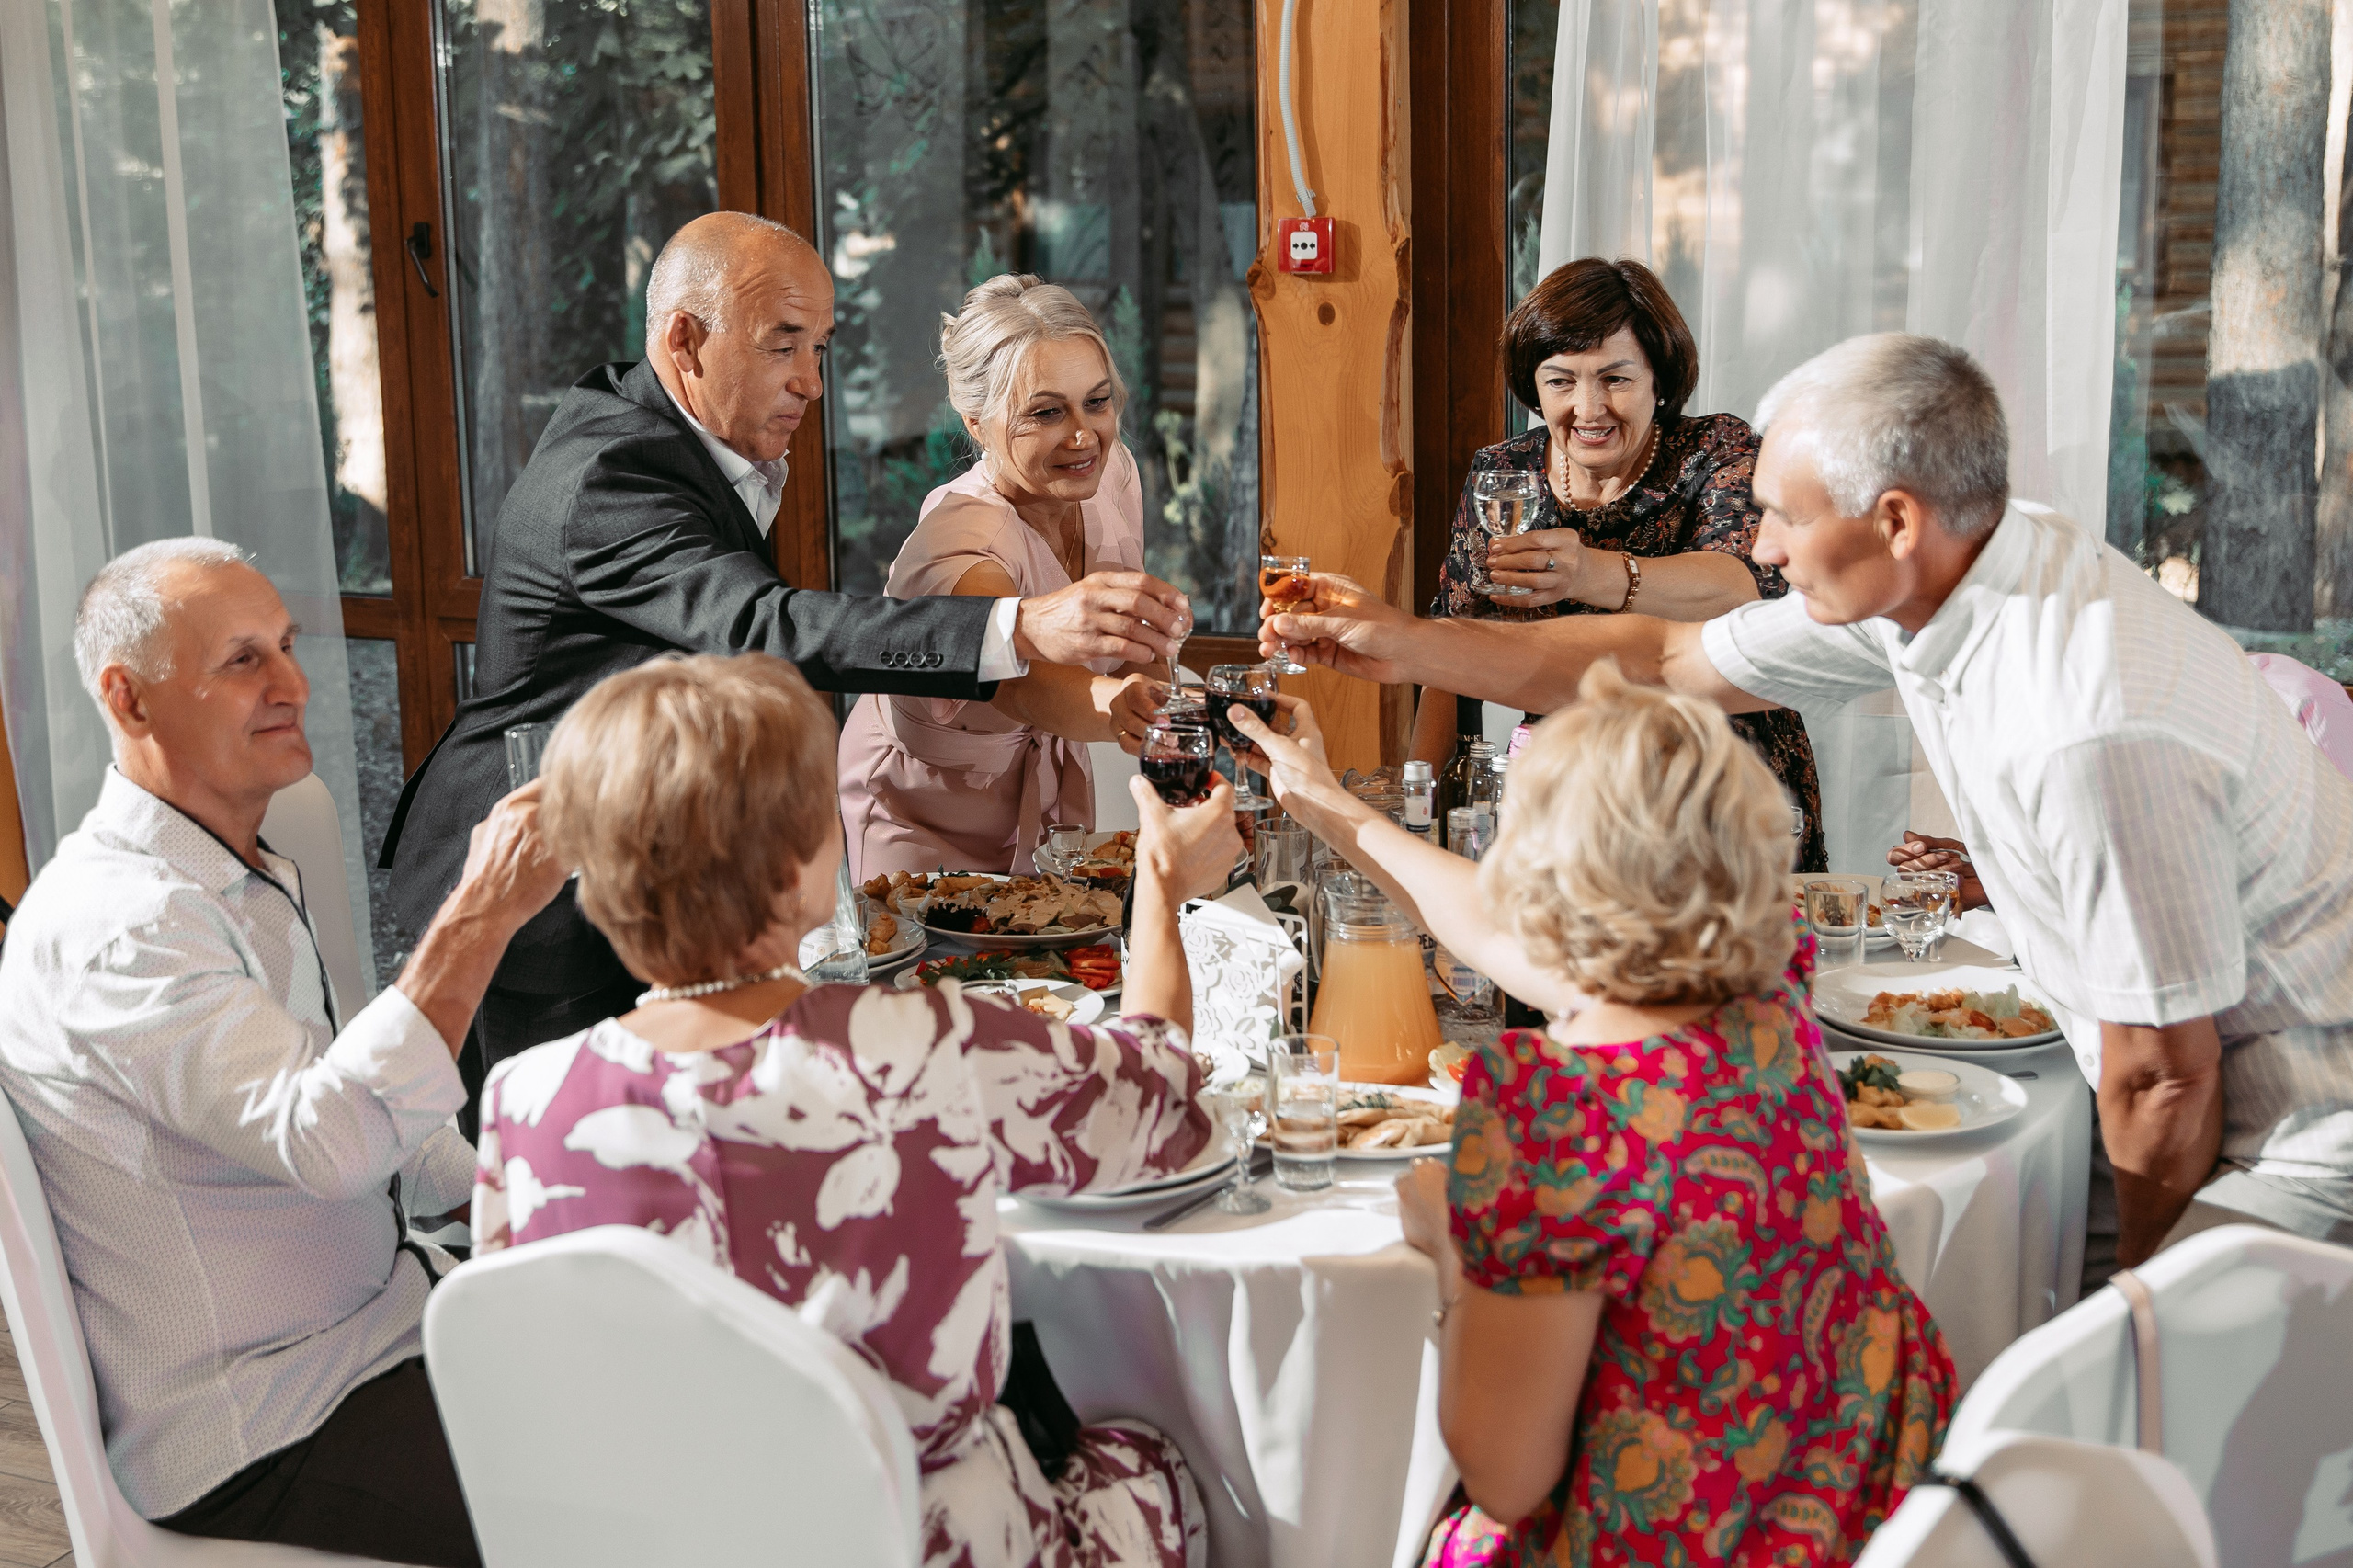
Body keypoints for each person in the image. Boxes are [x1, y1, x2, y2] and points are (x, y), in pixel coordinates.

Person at [1257, 332, 2353, 1266]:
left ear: (1895, 520)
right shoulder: (1958, 567)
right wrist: (1404, 644)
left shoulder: (2083, 719)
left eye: (1782, 515)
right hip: (2164, 1088)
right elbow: (1664, 659)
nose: (1763, 547)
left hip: (2298, 1142)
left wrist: (2132, 1323)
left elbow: (2164, 1079)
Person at [381, 213, 1193, 1104]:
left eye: (820, 348)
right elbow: (762, 624)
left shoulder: (687, 439)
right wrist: (1021, 625)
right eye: (783, 346)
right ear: (685, 340)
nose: (811, 381)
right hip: (540, 882)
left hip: (653, 869)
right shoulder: (614, 473)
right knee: (549, 1150)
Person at [472, 652, 1238, 1568]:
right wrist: (1160, 882)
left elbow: (530, 1371)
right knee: (1158, 1464)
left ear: (589, 874)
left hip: (655, 1546)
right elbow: (1160, 1101)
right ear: (800, 869)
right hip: (913, 1538)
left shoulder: (522, 1099)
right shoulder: (918, 1043)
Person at [1220, 669, 1953, 1563]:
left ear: (1530, 878)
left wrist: (1457, 1250)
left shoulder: (1553, 1111)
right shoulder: (1771, 994)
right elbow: (1491, 931)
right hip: (1860, 1510)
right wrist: (1324, 803)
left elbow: (1503, 1473)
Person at [0, 540, 569, 1565]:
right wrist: (482, 911)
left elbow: (364, 1114)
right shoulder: (122, 926)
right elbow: (336, 1140)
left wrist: (537, 1194)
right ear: (127, 699)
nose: (293, 685)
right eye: (242, 660)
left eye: (287, 646)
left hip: (382, 1332)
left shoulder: (227, 874)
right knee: (636, 1485)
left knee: (665, 1375)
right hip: (271, 1424)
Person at [1410, 258, 1825, 871]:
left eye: (1616, 379)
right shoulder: (1505, 473)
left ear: (1660, 380)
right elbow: (1450, 647)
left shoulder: (1717, 451)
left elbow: (1744, 587)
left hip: (1720, 786)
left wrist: (1588, 573)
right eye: (1560, 381)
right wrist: (1417, 809)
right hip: (1566, 792)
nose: (1589, 408)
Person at [839, 276, 1170, 879]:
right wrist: (1127, 709)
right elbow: (1017, 682)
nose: (1084, 435)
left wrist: (1169, 704)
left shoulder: (1109, 475)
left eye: (1097, 402)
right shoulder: (958, 538)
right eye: (1047, 412)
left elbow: (1134, 642)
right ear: (975, 421)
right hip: (920, 816)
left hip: (1046, 813)